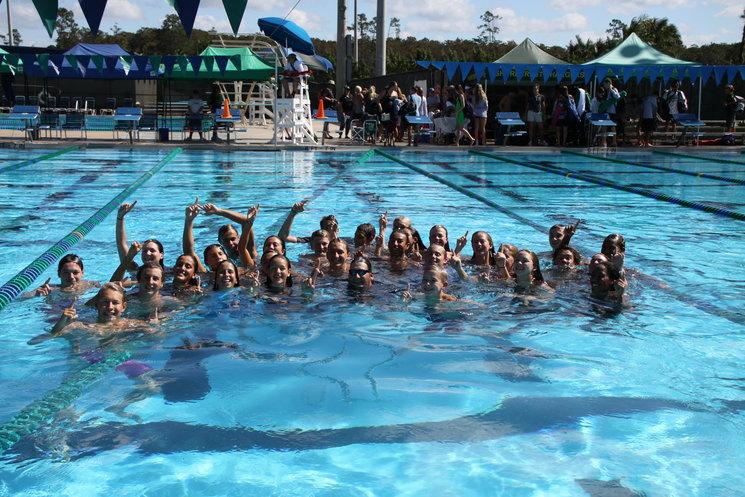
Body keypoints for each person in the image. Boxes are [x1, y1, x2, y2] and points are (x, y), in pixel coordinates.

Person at [115, 202, 166, 273]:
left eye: (152, 250)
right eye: (144, 251)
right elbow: (121, 244)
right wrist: (120, 218)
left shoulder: (171, 272)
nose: (148, 253)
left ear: (161, 255)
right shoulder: (136, 271)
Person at [31, 254, 99, 297]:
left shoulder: (92, 285)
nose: (71, 277)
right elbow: (23, 297)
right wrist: (36, 294)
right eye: (66, 272)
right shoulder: (50, 289)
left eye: (75, 272)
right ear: (59, 274)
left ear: (82, 273)